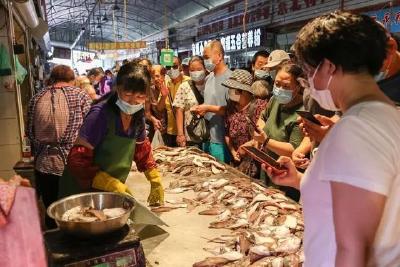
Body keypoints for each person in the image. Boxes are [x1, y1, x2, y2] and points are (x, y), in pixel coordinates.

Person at [265, 11, 400, 266]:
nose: (307, 82)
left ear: (328, 66)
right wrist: (300, 181)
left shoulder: (356, 129)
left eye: (306, 70)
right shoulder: (386, 115)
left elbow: (353, 247)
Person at [58, 62, 164, 207]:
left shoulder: (138, 116)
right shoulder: (100, 115)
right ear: (117, 89)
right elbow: (77, 160)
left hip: (109, 194)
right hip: (81, 193)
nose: (133, 102)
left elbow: (141, 149)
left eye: (140, 96)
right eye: (127, 94)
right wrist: (107, 182)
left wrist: (154, 176)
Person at [27, 65, 91, 228]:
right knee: (76, 212)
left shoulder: (36, 97)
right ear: (73, 80)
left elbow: (29, 131)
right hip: (72, 164)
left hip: (44, 164)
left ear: (52, 79)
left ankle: (53, 246)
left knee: (51, 210)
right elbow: (91, 130)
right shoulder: (80, 95)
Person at [243, 63, 305, 200]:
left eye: (286, 86)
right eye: (277, 84)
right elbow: (263, 117)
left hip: (288, 176)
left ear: (299, 86)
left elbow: (294, 150)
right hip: (268, 167)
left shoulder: (302, 112)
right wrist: (258, 132)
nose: (280, 89)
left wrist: (265, 141)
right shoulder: (274, 100)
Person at [192, 40, 232, 162]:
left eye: (206, 57)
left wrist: (207, 108)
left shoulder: (231, 78)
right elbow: (210, 102)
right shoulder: (209, 78)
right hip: (208, 137)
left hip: (223, 139)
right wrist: (201, 109)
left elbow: (232, 111)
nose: (205, 61)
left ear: (219, 56)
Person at [223, 70, 267, 176]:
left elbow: (264, 134)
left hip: (256, 164)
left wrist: (247, 147)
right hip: (238, 162)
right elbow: (227, 133)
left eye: (232, 89)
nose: (229, 91)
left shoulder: (260, 106)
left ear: (242, 91)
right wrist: (233, 152)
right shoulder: (231, 108)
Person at [173, 56, 207, 147]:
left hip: (211, 133)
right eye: (192, 70)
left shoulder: (210, 84)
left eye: (199, 69)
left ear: (205, 68)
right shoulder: (184, 86)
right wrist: (180, 134)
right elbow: (179, 110)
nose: (196, 72)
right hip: (191, 134)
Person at [157, 56, 190, 147]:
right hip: (171, 131)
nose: (171, 69)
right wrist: (163, 96)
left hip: (188, 130)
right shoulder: (166, 84)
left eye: (174, 66)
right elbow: (159, 108)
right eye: (168, 67)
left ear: (180, 67)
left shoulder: (189, 82)